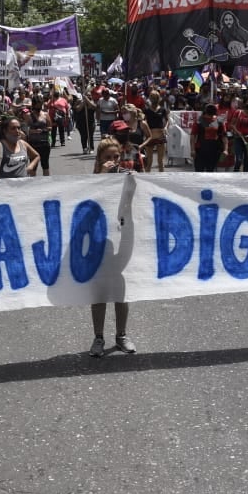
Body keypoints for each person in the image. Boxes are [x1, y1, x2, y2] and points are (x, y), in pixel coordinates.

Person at [89, 137, 135, 357]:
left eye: (116, 157)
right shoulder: (94, 179)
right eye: (108, 157)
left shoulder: (125, 177)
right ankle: (98, 338)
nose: (113, 161)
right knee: (99, 294)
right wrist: (102, 177)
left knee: (120, 292)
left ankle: (121, 336)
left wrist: (134, 183)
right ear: (99, 160)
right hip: (99, 243)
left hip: (120, 241)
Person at [191, 103, 227, 172]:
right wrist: (192, 150)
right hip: (200, 150)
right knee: (199, 171)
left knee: (210, 172)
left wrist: (225, 149)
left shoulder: (219, 121)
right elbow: (193, 136)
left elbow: (224, 136)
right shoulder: (199, 121)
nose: (210, 117)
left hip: (214, 150)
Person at [141, 90, 170, 172]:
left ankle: (162, 179)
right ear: (150, 98)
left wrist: (166, 127)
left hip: (160, 135)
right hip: (149, 136)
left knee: (160, 161)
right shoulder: (146, 110)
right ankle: (147, 180)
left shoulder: (162, 109)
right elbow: (143, 120)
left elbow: (167, 120)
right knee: (149, 161)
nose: (154, 99)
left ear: (158, 98)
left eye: (156, 97)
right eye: (152, 97)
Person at [26, 98, 53, 176]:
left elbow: (50, 127)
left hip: (44, 143)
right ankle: (34, 184)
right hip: (33, 144)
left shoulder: (45, 114)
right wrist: (34, 131)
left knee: (45, 165)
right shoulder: (29, 115)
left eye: (40, 104)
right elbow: (25, 129)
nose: (39, 107)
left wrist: (43, 130)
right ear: (33, 105)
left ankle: (46, 183)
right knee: (33, 165)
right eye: (38, 105)